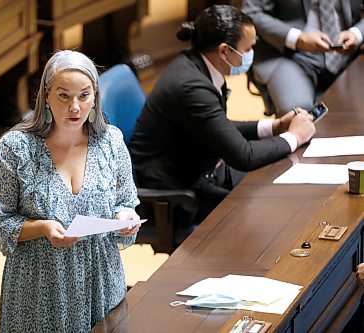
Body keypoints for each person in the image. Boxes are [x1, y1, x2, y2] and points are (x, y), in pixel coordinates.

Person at [0, 50, 141, 333]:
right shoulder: (13, 150)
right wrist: (42, 228)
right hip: (41, 284)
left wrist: (125, 217)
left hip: (101, 278)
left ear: (95, 96)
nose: (75, 107)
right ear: (45, 95)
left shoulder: (111, 142)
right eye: (64, 96)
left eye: (84, 95)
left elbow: (125, 200)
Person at [128, 5, 316, 225]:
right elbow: (244, 156)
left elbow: (218, 125)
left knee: (275, 183)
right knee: (272, 206)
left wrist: (274, 127)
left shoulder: (199, 65)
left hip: (199, 165)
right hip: (179, 194)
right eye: (248, 49)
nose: (251, 55)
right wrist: (295, 137)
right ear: (224, 51)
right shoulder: (191, 87)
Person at [242, 0, 364, 116]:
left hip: (350, 53)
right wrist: (298, 38)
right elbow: (252, 12)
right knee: (298, 113)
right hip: (288, 53)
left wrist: (358, 33)